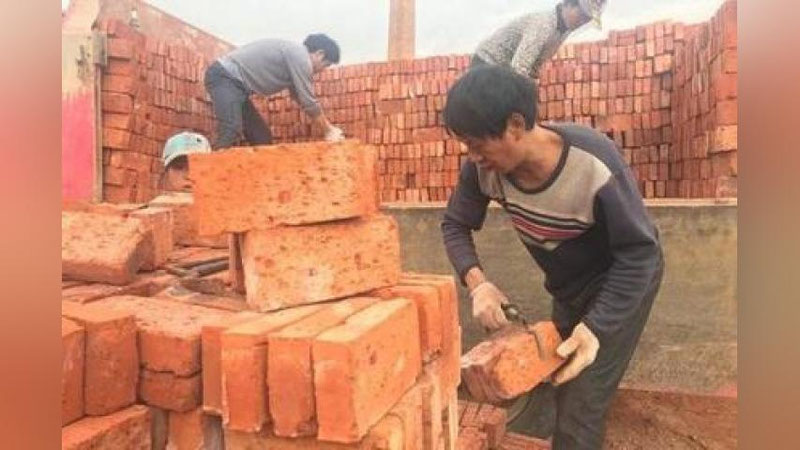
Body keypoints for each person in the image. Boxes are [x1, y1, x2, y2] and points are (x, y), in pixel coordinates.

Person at [441, 66, 663, 449]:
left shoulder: (593, 163)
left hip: (621, 283)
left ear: (515, 124)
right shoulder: (482, 171)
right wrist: (479, 285)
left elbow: (641, 253)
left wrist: (597, 328)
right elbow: (455, 224)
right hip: (568, 287)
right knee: (555, 372)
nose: (472, 156)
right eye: (465, 145)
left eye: (477, 144)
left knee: (582, 401)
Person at [204, 33, 344, 149]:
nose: (322, 70)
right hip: (224, 77)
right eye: (326, 65)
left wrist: (326, 127)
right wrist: (329, 130)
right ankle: (208, 169)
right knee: (231, 127)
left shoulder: (294, 58)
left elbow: (301, 98)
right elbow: (309, 101)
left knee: (261, 137)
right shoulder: (300, 56)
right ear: (319, 54)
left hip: (238, 88)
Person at [472, 0, 607, 78]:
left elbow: (534, 66)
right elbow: (519, 68)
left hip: (505, 70)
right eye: (581, 16)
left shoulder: (562, 31)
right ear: (569, 4)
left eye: (587, 20)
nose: (582, 22)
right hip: (487, 64)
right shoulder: (543, 25)